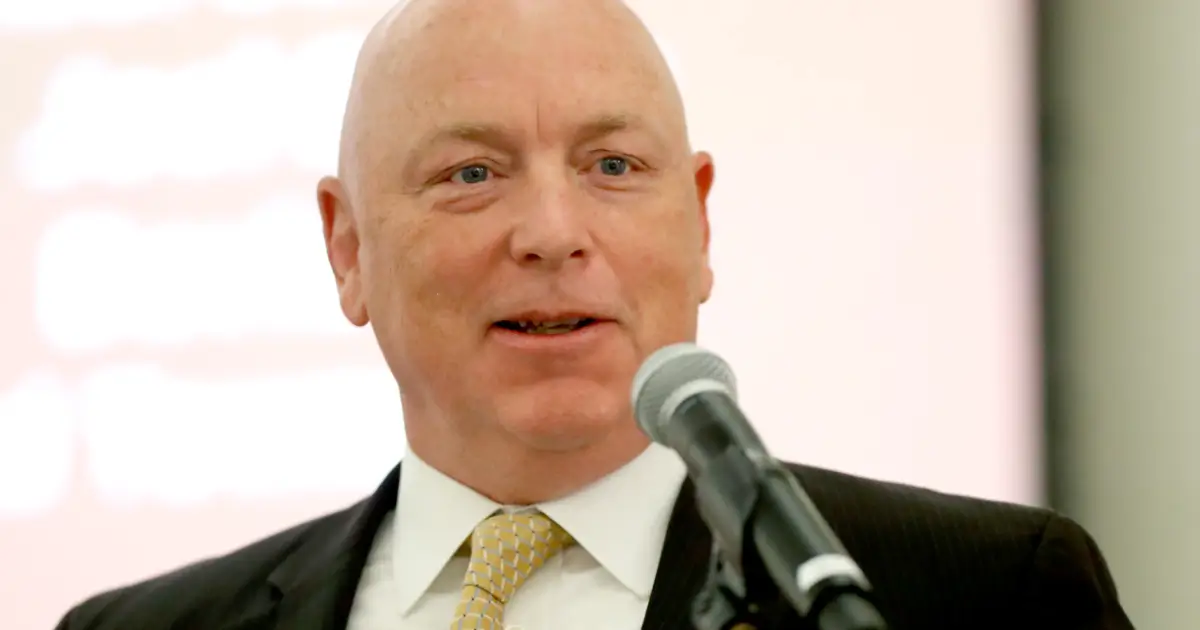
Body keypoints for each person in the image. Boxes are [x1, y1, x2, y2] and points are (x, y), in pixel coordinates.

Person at [54, 0, 1134, 629]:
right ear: (348, 251)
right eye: (472, 174)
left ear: (700, 222)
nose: (552, 233)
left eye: (613, 165)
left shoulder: (982, 597)